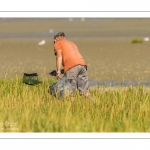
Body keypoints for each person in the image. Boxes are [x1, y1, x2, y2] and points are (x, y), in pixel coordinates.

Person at [53, 32, 90, 99]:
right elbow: (73, 63)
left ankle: (72, 107)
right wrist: (62, 71)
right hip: (82, 65)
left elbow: (59, 56)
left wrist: (58, 71)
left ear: (55, 39)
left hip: (72, 66)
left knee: (70, 92)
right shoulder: (71, 43)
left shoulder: (57, 43)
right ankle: (95, 104)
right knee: (85, 92)